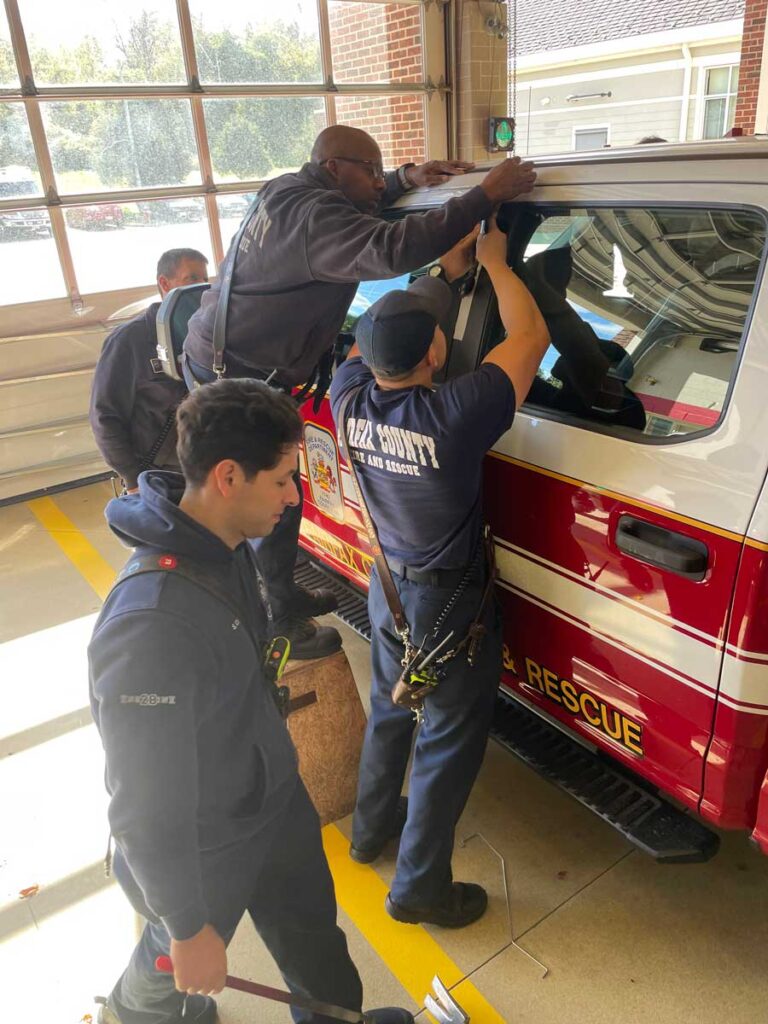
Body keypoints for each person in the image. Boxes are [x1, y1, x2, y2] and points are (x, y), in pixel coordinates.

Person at [89, 379, 414, 1024]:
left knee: (317, 945)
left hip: (271, 798)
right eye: (283, 479)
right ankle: (131, 1014)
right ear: (229, 476)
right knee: (171, 979)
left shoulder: (225, 546)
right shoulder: (150, 623)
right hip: (204, 844)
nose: (294, 496)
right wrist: (186, 928)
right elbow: (144, 803)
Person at [183, 124, 536, 659]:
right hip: (241, 378)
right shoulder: (315, 216)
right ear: (333, 169)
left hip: (226, 362)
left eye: (379, 172)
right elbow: (392, 248)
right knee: (257, 504)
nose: (378, 183)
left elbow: (363, 207)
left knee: (278, 495)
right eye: (370, 171)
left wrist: (401, 180)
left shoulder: (292, 191)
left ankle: (277, 592)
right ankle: (273, 624)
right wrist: (483, 197)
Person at [329, 220, 550, 928]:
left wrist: (445, 276)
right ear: (438, 351)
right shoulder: (455, 413)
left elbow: (375, 338)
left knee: (393, 706)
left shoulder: (347, 394)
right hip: (449, 603)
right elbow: (529, 340)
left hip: (388, 583)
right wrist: (495, 265)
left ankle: (368, 833)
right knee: (448, 739)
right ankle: (419, 887)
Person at [90, 248, 209, 493]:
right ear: (164, 283)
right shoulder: (130, 340)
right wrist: (133, 480)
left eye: (206, 280)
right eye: (192, 279)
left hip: (206, 472)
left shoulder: (206, 335)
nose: (202, 288)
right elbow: (105, 415)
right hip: (157, 479)